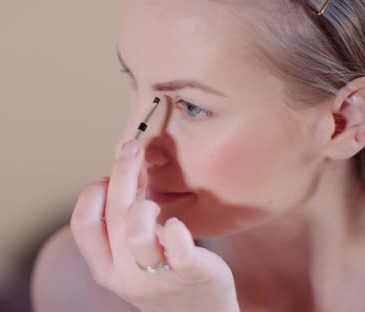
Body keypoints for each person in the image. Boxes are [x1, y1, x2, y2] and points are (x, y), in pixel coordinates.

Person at [31, 0, 365, 311]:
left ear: (346, 122)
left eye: (191, 107)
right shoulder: (87, 282)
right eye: (134, 81)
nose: (133, 148)